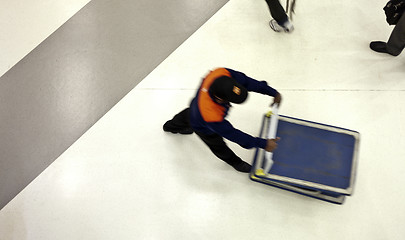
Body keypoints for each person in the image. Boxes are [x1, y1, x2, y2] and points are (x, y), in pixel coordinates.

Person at [163, 68, 281, 173]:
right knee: (218, 145)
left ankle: (170, 126)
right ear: (220, 99)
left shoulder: (222, 73)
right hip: (201, 123)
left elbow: (247, 81)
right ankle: (236, 163)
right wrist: (263, 143)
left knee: (187, 114)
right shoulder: (211, 116)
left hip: (196, 106)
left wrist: (272, 92)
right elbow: (234, 135)